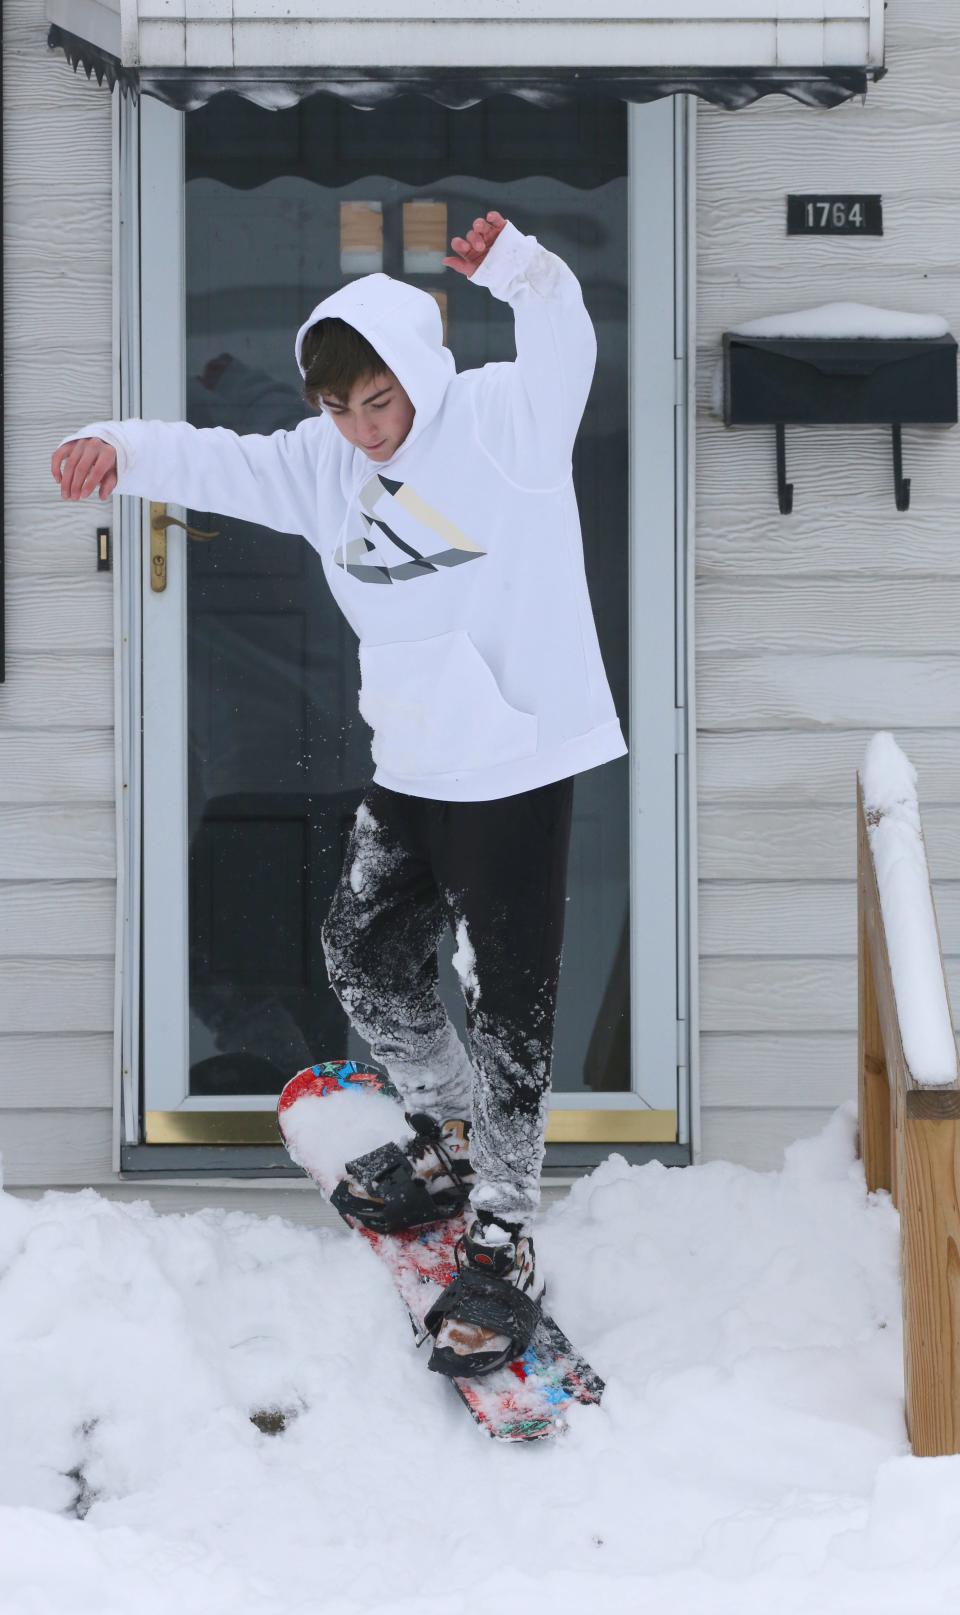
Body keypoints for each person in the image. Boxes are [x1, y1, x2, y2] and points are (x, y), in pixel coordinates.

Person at [50, 209, 628, 1379]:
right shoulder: (324, 464)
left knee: (512, 1002)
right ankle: (451, 1134)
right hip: (413, 758)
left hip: (513, 758)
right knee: (365, 957)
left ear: (419, 377)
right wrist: (122, 448)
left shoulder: (508, 419)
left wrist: (516, 265)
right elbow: (224, 459)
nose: (362, 432)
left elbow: (563, 326)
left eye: (379, 404)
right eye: (340, 411)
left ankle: (506, 1228)